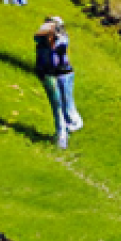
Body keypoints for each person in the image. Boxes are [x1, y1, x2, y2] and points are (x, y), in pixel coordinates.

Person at [34, 16, 83, 149]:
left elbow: (60, 47)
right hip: (50, 75)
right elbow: (40, 57)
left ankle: (72, 124)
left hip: (63, 74)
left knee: (66, 105)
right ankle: (61, 136)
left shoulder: (61, 39)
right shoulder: (42, 42)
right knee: (57, 106)